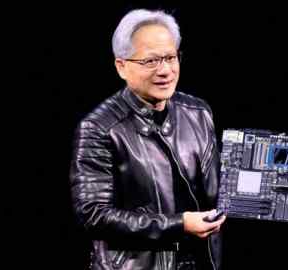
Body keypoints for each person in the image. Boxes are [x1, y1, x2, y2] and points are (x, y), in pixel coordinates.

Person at [70, 9, 226, 270]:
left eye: (170, 57)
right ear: (121, 66)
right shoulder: (99, 127)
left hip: (202, 261)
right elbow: (93, 215)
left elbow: (218, 191)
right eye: (151, 61)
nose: (164, 70)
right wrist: (181, 224)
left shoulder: (198, 112)